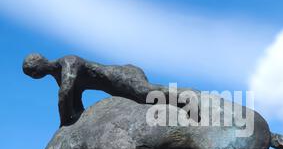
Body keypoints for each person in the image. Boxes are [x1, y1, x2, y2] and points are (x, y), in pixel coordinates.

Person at [23, 53, 197, 126]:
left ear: (40, 61)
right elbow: (75, 106)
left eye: (32, 70)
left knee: (146, 93)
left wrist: (62, 122)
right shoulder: (58, 78)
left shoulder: (67, 62)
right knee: (143, 102)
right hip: (113, 90)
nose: (33, 75)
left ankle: (185, 98)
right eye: (30, 74)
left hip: (119, 76)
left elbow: (66, 93)